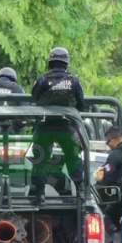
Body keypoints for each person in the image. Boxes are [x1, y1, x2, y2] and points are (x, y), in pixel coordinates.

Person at [30, 47, 85, 204]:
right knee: (73, 157)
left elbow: (34, 99)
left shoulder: (41, 79)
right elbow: (81, 105)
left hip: (44, 125)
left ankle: (39, 195)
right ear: (66, 63)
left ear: (50, 62)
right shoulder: (74, 81)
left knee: (40, 159)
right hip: (66, 125)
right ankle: (80, 192)